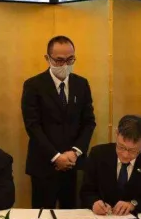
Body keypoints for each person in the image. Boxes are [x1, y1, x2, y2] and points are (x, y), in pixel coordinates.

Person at [21, 36, 96, 209]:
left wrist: (75, 152)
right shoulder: (33, 85)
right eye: (59, 60)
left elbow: (89, 122)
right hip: (44, 164)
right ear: (47, 58)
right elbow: (32, 126)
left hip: (73, 164)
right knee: (41, 216)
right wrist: (56, 156)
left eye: (70, 60)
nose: (65, 65)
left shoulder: (81, 84)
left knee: (71, 214)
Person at [80, 115, 141, 215]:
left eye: (133, 150)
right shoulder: (98, 154)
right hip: (102, 218)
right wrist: (94, 203)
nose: (125, 155)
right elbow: (86, 192)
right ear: (117, 133)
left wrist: (134, 204)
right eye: (121, 147)